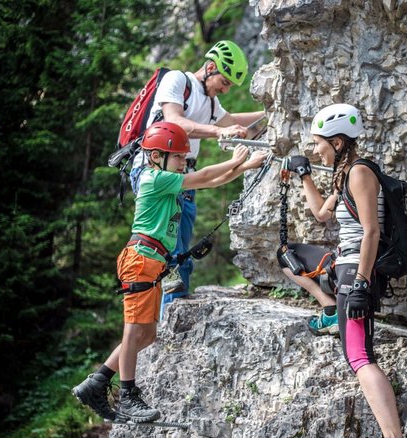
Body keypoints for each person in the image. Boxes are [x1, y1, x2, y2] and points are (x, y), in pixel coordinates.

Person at [73, 121, 266, 422]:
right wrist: (235, 160)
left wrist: (246, 166)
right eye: (176, 156)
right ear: (155, 156)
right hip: (140, 260)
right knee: (133, 331)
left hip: (153, 263)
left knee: (147, 335)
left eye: (183, 157)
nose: (182, 161)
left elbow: (210, 182)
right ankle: (128, 396)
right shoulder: (153, 178)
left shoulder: (166, 178)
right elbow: (204, 175)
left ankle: (96, 383)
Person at [278, 104, 407, 438]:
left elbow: (372, 231)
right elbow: (321, 214)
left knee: (359, 356)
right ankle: (328, 309)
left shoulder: (360, 173)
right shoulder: (344, 175)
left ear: (337, 142)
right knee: (288, 256)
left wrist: (362, 286)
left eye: (319, 143)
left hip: (356, 273)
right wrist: (304, 174)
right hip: (344, 266)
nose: (316, 149)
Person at [131, 39, 265, 302]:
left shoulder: (211, 103)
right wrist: (218, 132)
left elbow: (232, 121)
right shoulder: (177, 81)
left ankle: (172, 311)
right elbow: (174, 121)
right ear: (210, 67)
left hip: (184, 177)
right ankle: (163, 312)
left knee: (181, 255)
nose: (225, 89)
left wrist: (269, 111)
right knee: (169, 252)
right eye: (224, 82)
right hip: (157, 171)